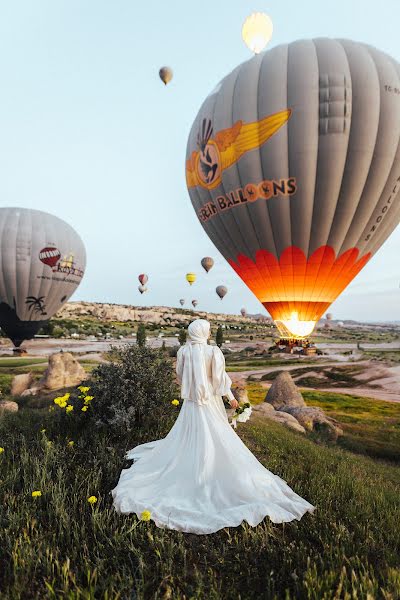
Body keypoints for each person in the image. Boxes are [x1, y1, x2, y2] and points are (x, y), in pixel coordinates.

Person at [111, 319, 315, 534]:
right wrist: (230, 398)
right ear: (206, 333)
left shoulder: (183, 351)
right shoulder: (213, 352)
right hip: (210, 400)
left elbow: (180, 377)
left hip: (191, 402)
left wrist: (193, 385)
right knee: (215, 432)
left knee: (189, 432)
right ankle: (207, 468)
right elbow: (220, 379)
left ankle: (192, 460)